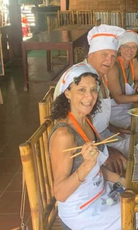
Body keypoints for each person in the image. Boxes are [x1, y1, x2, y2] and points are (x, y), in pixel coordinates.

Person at [48, 64, 138, 230]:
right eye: (81, 90)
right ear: (67, 92)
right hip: (83, 210)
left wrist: (123, 180)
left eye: (94, 90)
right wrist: (86, 165)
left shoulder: (87, 121)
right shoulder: (64, 135)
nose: (89, 97)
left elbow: (96, 170)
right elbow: (60, 193)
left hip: (99, 191)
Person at [54, 24, 128, 174]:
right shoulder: (83, 78)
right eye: (104, 54)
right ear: (91, 54)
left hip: (100, 136)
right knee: (137, 151)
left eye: (113, 56)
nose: (109, 60)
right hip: (85, 148)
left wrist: (112, 127)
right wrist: (105, 151)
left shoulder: (97, 74)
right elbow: (73, 127)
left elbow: (96, 115)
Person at [107, 30, 138, 130]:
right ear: (119, 48)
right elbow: (118, 98)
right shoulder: (113, 67)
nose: (130, 50)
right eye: (126, 46)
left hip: (130, 106)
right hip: (115, 111)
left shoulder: (133, 61)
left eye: (133, 47)